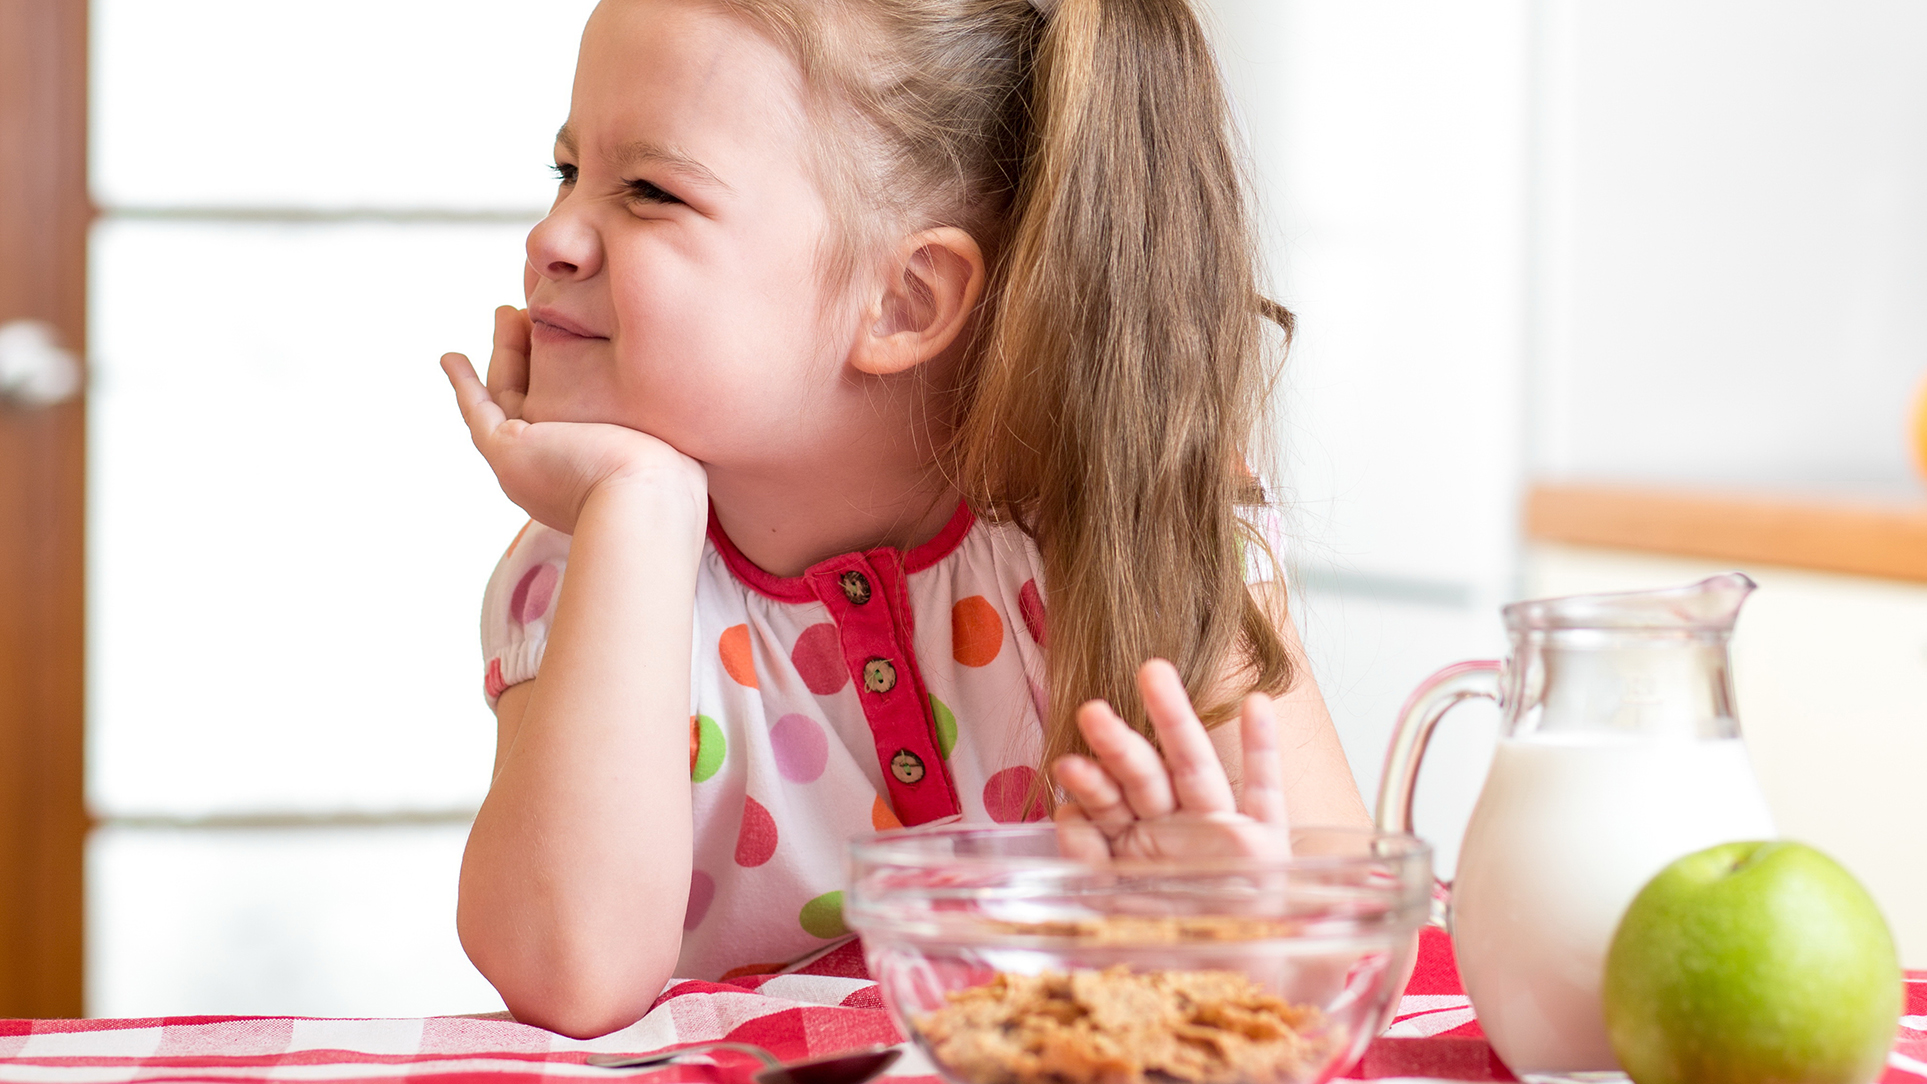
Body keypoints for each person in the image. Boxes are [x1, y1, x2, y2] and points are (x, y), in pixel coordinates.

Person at [441, 0, 1370, 1039]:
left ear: (905, 302)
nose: (552, 235)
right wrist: (638, 513)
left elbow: (1346, 928)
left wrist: (1228, 918)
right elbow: (568, 976)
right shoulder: (595, 567)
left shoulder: (1134, 524)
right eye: (567, 172)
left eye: (649, 191)